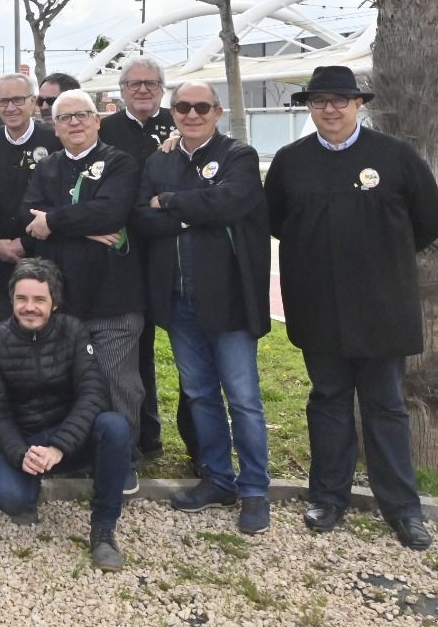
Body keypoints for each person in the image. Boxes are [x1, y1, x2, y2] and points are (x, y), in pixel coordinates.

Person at [265, 66, 438, 551]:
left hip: (383, 307)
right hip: (318, 305)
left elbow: (429, 220)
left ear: (358, 105)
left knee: (385, 406)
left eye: (340, 100)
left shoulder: (395, 156)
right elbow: (278, 220)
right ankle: (327, 497)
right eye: (320, 100)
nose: (330, 108)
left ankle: (403, 510)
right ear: (309, 106)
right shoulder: (290, 161)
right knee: (328, 402)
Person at [134, 81, 272, 535]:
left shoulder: (238, 155)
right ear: (171, 113)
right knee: (199, 395)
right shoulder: (159, 160)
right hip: (178, 301)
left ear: (217, 111)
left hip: (228, 299)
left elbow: (231, 202)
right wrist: (196, 213)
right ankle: (217, 479)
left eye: (200, 107)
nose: (191, 115)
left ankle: (254, 489)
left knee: (245, 399)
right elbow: (142, 219)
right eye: (182, 107)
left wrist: (173, 203)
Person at [0, 258, 132, 572]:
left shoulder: (74, 332)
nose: (29, 307)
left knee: (115, 426)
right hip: (27, 439)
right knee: (13, 500)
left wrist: (60, 446)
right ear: (12, 301)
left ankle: (103, 528)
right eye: (22, 299)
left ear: (54, 304)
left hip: (71, 438)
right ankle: (30, 484)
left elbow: (94, 395)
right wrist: (20, 453)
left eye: (39, 299)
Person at [23, 89, 145, 467]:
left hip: (113, 299)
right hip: (62, 302)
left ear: (97, 120)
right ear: (54, 128)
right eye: (64, 118)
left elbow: (111, 212)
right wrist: (83, 227)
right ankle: (74, 455)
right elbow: (27, 220)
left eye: (82, 115)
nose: (74, 122)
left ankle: (120, 459)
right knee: (66, 384)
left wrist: (55, 222)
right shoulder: (46, 168)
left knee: (117, 383)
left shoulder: (120, 163)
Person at [97, 55, 189, 463]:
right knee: (138, 349)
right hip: (124, 252)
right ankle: (144, 434)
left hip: (176, 250)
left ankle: (197, 443)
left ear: (162, 88)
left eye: (151, 83)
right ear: (122, 90)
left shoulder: (182, 121)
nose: (142, 90)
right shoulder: (106, 129)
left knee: (190, 354)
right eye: (134, 84)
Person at [0, 72, 57, 440]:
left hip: (44, 259)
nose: (12, 107)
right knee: (1, 341)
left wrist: (25, 243)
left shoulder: (53, 139)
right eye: (4, 102)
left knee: (44, 342)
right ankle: (0, 418)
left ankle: (43, 418)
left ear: (34, 102)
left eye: (19, 100)